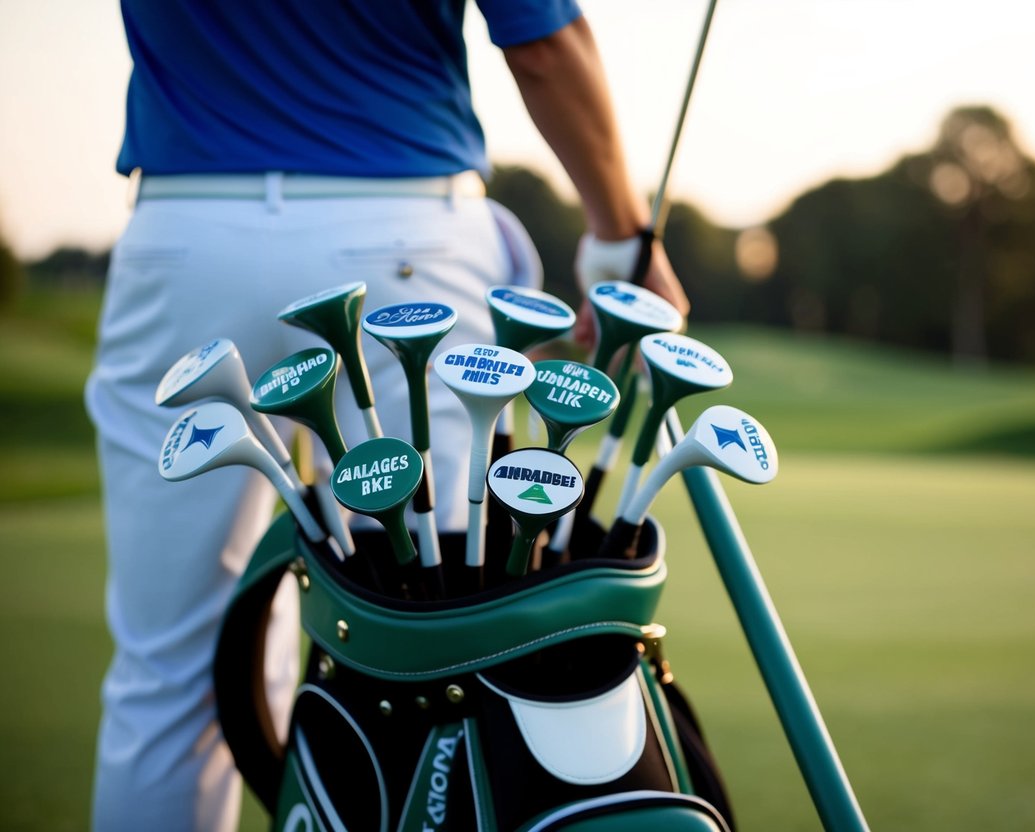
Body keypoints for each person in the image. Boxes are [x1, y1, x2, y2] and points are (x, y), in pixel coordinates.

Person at [86, 2, 689, 830]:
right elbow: (544, 46)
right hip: (401, 240)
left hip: (184, 238)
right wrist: (622, 237)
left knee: (168, 670)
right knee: (431, 653)